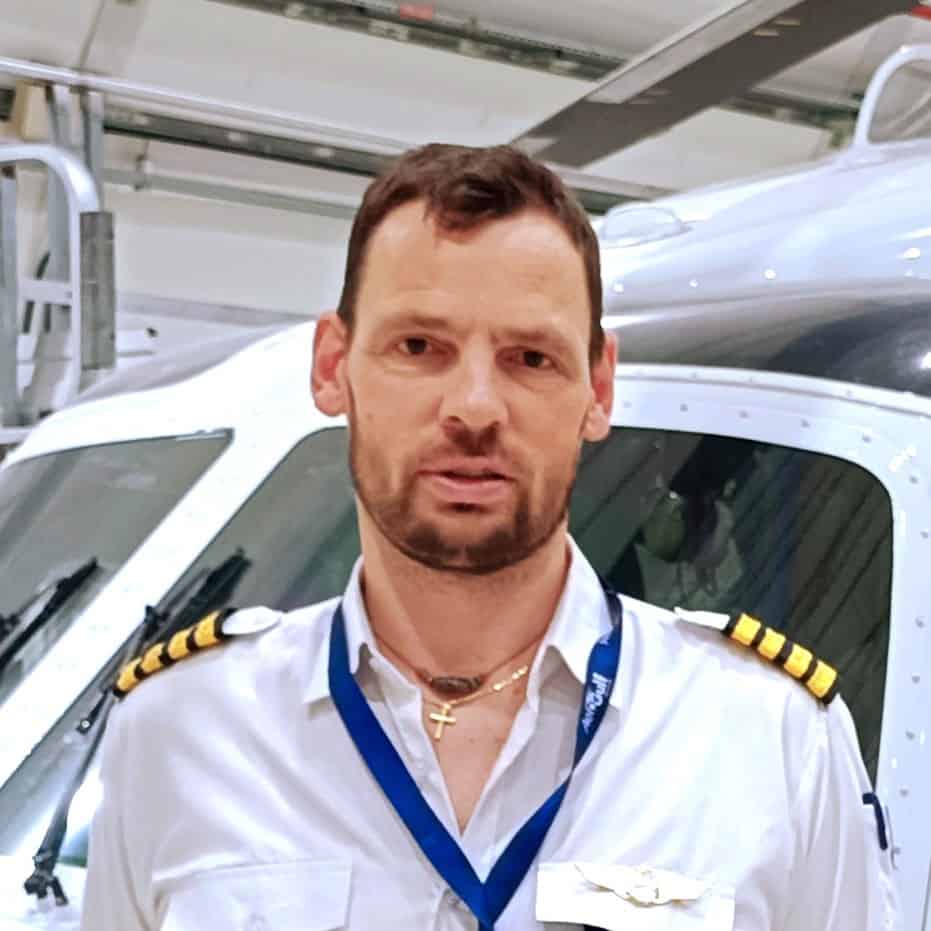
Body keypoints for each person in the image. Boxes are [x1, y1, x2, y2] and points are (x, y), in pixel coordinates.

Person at [81, 144, 900, 931]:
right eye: (418, 347)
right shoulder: (180, 729)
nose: (474, 406)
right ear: (332, 365)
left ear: (597, 386)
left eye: (530, 357)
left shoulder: (769, 736)